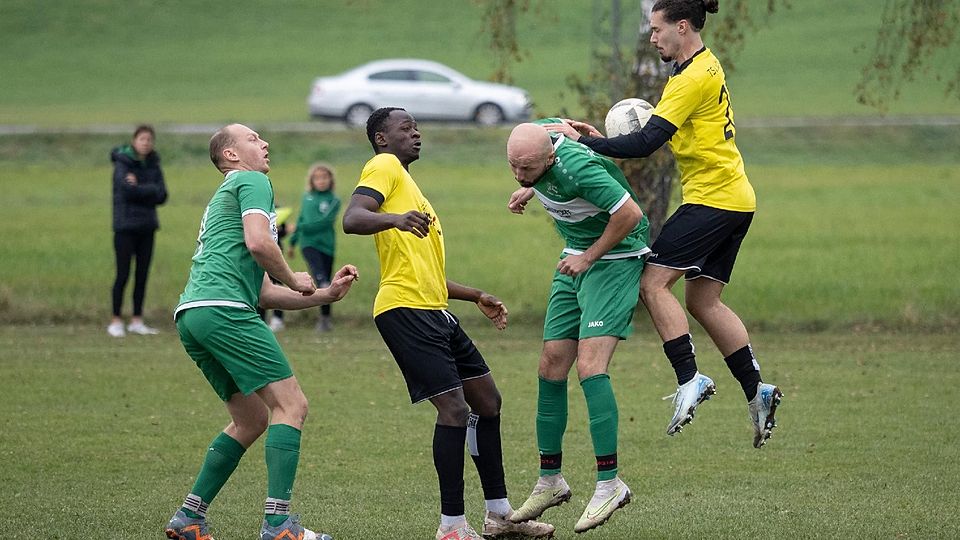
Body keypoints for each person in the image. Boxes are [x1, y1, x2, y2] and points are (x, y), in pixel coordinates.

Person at [542, 0, 783, 448]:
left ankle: (689, 377)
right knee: (705, 300)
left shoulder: (691, 78)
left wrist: (582, 143)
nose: (652, 38)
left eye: (656, 30)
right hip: (736, 198)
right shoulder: (703, 67)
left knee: (653, 283)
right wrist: (601, 139)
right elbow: (647, 134)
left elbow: (647, 143)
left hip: (713, 200)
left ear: (683, 26)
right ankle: (757, 389)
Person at [341, 107, 555, 540]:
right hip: (404, 311)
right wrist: (394, 219)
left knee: (487, 402)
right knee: (454, 410)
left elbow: (427, 273)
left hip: (434, 309)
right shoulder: (382, 166)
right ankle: (452, 527)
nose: (416, 134)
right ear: (382, 139)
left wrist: (475, 294)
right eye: (406, 128)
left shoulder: (410, 185)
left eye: (417, 127)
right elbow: (352, 218)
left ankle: (499, 517)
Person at [164, 123, 358, 540]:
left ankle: (189, 518)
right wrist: (295, 276)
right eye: (252, 139)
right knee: (292, 406)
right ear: (231, 155)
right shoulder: (252, 180)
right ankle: (278, 526)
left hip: (195, 314)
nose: (264, 143)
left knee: (250, 418)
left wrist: (322, 293)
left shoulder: (228, 193)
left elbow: (263, 290)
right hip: (225, 311)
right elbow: (259, 244)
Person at [504, 121, 649, 533]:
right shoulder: (542, 144)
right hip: (574, 255)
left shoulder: (578, 168)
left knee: (590, 367)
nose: (519, 173)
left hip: (616, 258)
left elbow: (630, 213)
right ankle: (550, 480)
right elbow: (559, 130)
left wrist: (588, 258)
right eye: (514, 167)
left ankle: (610, 484)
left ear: (550, 156)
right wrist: (531, 188)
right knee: (550, 364)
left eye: (527, 169)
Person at [108, 124, 168, 337]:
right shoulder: (123, 162)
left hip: (147, 226)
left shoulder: (153, 163)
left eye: (149, 140)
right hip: (125, 226)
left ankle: (136, 319)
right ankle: (116, 319)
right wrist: (149, 188)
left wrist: (141, 185)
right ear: (134, 141)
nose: (146, 143)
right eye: (142, 139)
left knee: (142, 275)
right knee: (123, 274)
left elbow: (162, 194)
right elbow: (125, 190)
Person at [288, 162, 342, 333]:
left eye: (324, 177)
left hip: (327, 246)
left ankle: (326, 318)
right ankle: (323, 321)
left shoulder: (334, 200)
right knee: (321, 280)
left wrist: (297, 228)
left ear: (330, 180)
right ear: (312, 180)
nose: (321, 181)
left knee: (326, 281)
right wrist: (293, 242)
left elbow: (323, 222)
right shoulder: (307, 197)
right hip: (308, 244)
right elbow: (301, 219)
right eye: (317, 178)